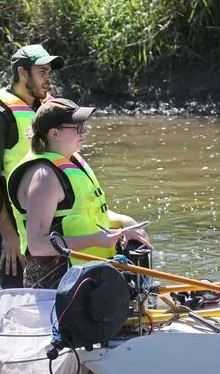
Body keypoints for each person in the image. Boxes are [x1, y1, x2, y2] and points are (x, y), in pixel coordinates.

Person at [7, 98, 151, 288]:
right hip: (56, 290)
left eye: (83, 125)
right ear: (54, 133)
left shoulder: (72, 161)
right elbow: (37, 245)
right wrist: (94, 240)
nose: (84, 131)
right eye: (76, 127)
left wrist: (126, 223)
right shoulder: (44, 177)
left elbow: (88, 213)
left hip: (89, 279)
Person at [0, 44, 64, 288]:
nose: (48, 79)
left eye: (49, 72)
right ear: (22, 73)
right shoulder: (3, 114)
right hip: (9, 229)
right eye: (42, 72)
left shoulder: (43, 109)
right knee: (13, 298)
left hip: (39, 222)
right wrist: (8, 235)